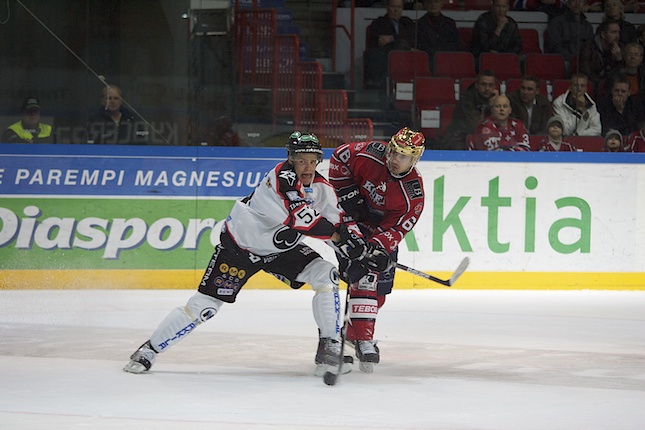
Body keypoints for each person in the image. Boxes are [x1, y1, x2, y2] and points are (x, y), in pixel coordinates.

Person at [124, 132, 357, 379]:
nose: (307, 166)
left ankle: (329, 347)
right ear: (290, 158)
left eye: (313, 160)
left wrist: (360, 247)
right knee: (205, 307)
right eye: (301, 160)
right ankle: (149, 350)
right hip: (239, 250)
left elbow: (340, 222)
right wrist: (343, 241)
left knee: (325, 273)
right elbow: (307, 222)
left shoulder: (321, 188)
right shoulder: (281, 179)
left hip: (279, 252)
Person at [328, 127, 426, 373]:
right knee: (366, 276)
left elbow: (397, 229)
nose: (395, 159)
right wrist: (346, 193)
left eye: (403, 156)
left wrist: (377, 247)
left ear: (415, 159)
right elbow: (339, 156)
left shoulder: (412, 194)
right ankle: (364, 338)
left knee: (380, 290)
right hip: (351, 221)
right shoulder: (371, 153)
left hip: (379, 230)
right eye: (394, 152)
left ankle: (353, 332)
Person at [363, 0, 416, 89]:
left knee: (402, 44)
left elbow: (412, 38)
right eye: (393, 7)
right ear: (387, 7)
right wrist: (401, 42)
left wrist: (392, 38)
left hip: (406, 59)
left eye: (399, 7)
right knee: (401, 44)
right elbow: (379, 42)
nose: (396, 10)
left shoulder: (408, 22)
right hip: (385, 58)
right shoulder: (378, 23)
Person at [440, 70, 499, 150]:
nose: (487, 88)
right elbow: (476, 127)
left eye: (490, 85)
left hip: (481, 138)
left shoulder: (495, 98)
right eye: (483, 84)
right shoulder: (467, 99)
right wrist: (491, 106)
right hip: (458, 138)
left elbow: (502, 123)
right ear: (477, 85)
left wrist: (496, 104)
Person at [579, 19, 624, 95]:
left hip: (611, 84)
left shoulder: (620, 47)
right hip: (593, 83)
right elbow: (586, 72)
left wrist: (618, 60)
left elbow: (622, 75)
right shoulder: (588, 47)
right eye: (613, 32)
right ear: (603, 34)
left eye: (618, 32)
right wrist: (602, 83)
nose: (617, 36)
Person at [545, 0, 594, 65]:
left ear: (584, 5)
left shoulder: (588, 26)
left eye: (580, 1)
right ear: (568, 4)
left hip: (582, 64)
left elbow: (589, 48)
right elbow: (555, 48)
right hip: (562, 62)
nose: (577, 4)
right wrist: (573, 60)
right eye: (574, 1)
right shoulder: (556, 22)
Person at [416, 0, 459, 70]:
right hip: (428, 61)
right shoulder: (420, 24)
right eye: (430, 2)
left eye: (436, 2)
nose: (433, 5)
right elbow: (421, 46)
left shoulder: (450, 23)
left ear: (441, 3)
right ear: (426, 4)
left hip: (448, 60)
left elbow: (456, 45)